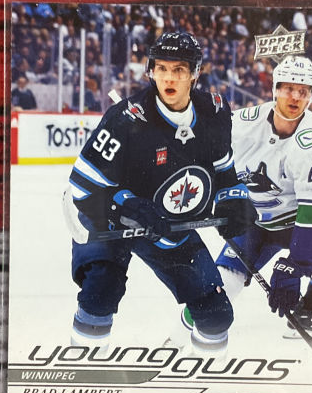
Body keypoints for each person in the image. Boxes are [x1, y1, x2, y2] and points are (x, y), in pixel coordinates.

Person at [63, 31, 257, 357]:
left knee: (216, 314)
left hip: (167, 223)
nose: (169, 78)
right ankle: (84, 365)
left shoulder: (214, 112)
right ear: (151, 71)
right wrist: (128, 206)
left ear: (195, 73)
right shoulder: (125, 118)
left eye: (179, 70)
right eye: (162, 68)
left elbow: (224, 172)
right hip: (108, 218)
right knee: (101, 291)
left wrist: (235, 199)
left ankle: (206, 376)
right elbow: (84, 186)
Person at [197, 54, 312, 338]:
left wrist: (296, 266)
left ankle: (310, 308)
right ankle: (180, 335)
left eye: (303, 91)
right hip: (253, 220)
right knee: (220, 284)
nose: (295, 97)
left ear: (311, 96)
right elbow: (204, 151)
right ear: (275, 89)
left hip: (296, 224)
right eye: (288, 88)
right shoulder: (243, 123)